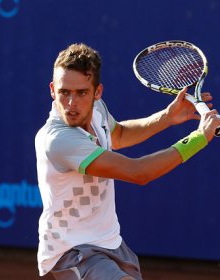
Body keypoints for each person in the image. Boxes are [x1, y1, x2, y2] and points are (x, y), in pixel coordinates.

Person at [34, 43, 220, 280]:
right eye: (64, 92)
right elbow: (138, 172)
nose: (71, 104)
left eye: (81, 93)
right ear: (52, 89)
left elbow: (119, 135)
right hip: (72, 251)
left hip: (111, 243)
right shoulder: (58, 140)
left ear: (97, 92)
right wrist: (199, 138)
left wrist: (166, 117)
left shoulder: (97, 109)